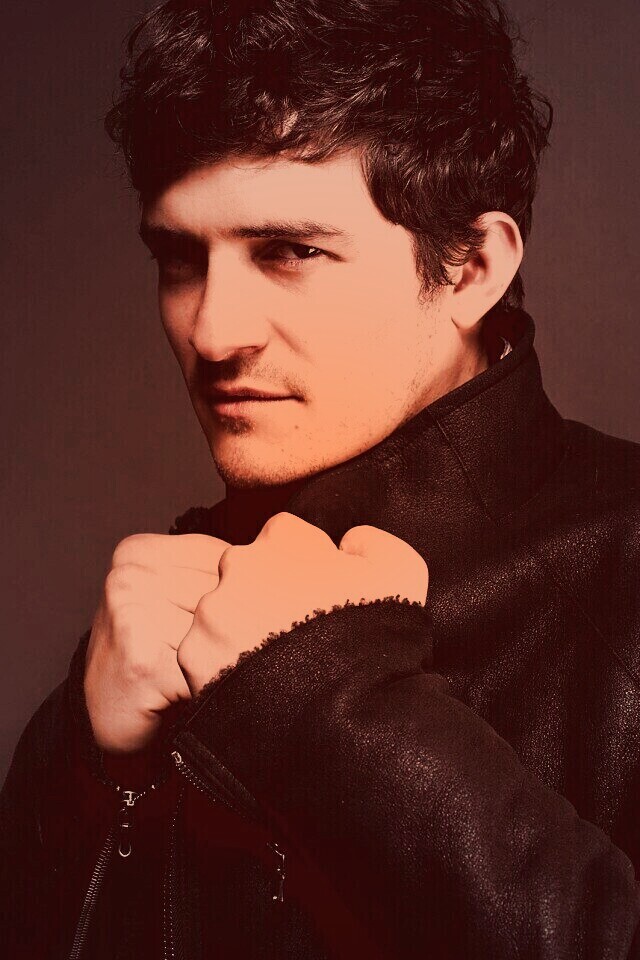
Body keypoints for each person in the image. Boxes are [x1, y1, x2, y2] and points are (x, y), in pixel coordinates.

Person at [1, 0, 639, 956]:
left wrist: (323, 700)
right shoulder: (155, 612)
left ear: (471, 267)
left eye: (291, 251)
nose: (212, 331)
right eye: (179, 258)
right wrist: (84, 776)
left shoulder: (624, 570)